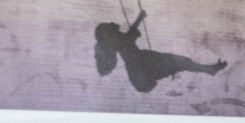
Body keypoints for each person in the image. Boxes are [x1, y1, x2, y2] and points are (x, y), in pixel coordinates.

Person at [92, 13, 227, 93]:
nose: (115, 27)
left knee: (179, 62)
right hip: (144, 67)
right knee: (179, 62)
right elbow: (131, 33)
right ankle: (209, 69)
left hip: (143, 68)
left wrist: (140, 18)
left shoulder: (119, 41)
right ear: (110, 35)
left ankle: (209, 69)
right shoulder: (120, 41)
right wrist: (140, 18)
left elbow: (130, 33)